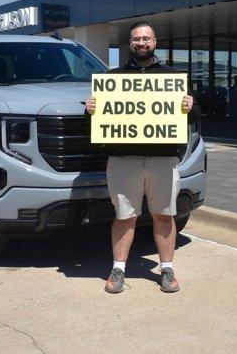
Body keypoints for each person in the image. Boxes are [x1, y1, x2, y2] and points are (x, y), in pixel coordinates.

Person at [85, 21, 199, 294]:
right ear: (130, 43)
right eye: (136, 39)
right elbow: (97, 123)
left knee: (164, 214)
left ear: (155, 42)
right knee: (124, 216)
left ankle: (167, 268)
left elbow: (193, 118)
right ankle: (118, 269)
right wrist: (90, 110)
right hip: (124, 159)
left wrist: (191, 107)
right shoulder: (112, 79)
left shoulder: (173, 78)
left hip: (163, 158)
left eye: (146, 39)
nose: (141, 43)